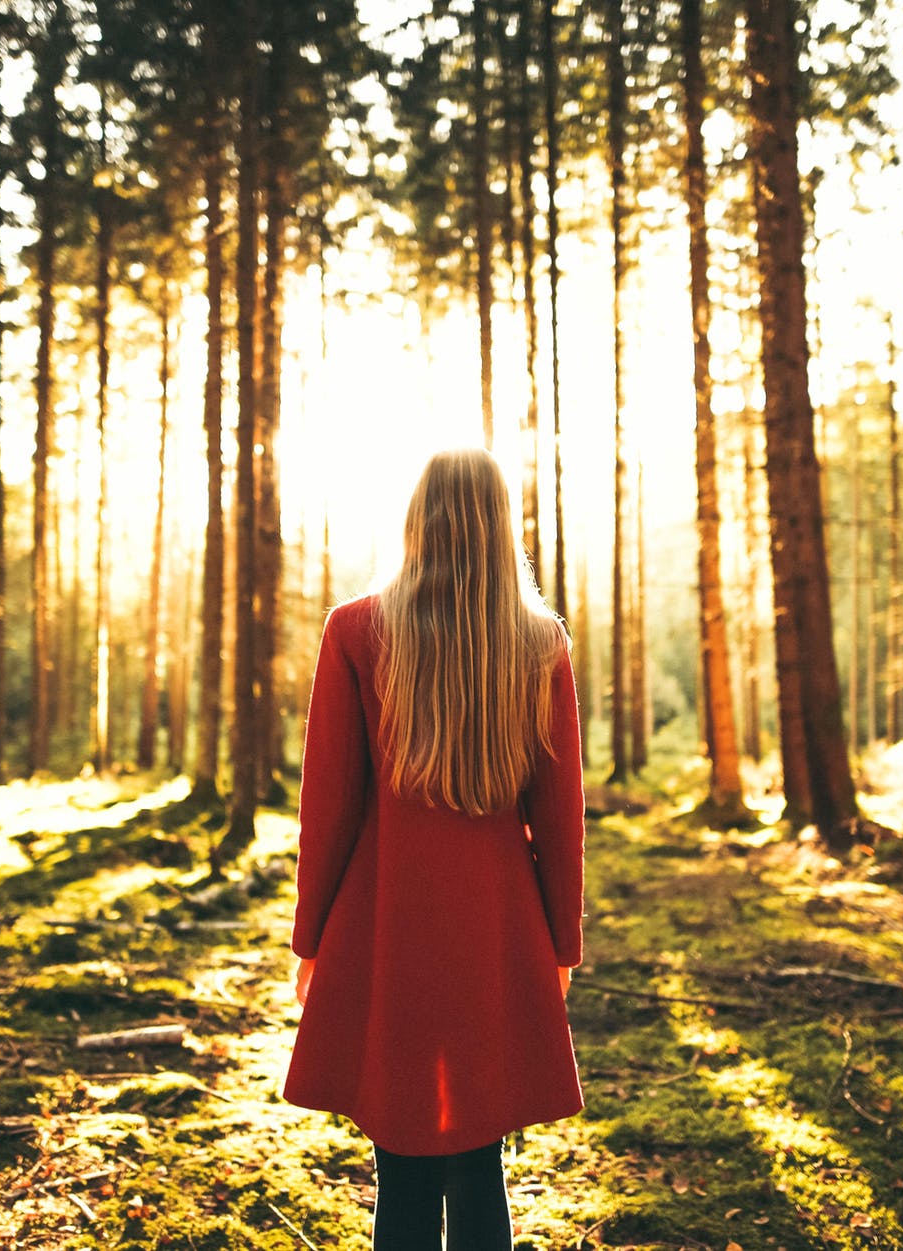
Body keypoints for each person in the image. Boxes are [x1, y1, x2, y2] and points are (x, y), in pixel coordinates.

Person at [283, 447, 586, 1251]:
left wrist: (311, 938)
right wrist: (560, 945)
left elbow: (330, 807)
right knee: (479, 1158)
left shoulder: (355, 629)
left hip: (389, 923)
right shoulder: (538, 640)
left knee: (404, 1166)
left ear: (415, 518)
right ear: (501, 527)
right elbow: (561, 819)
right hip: (496, 927)